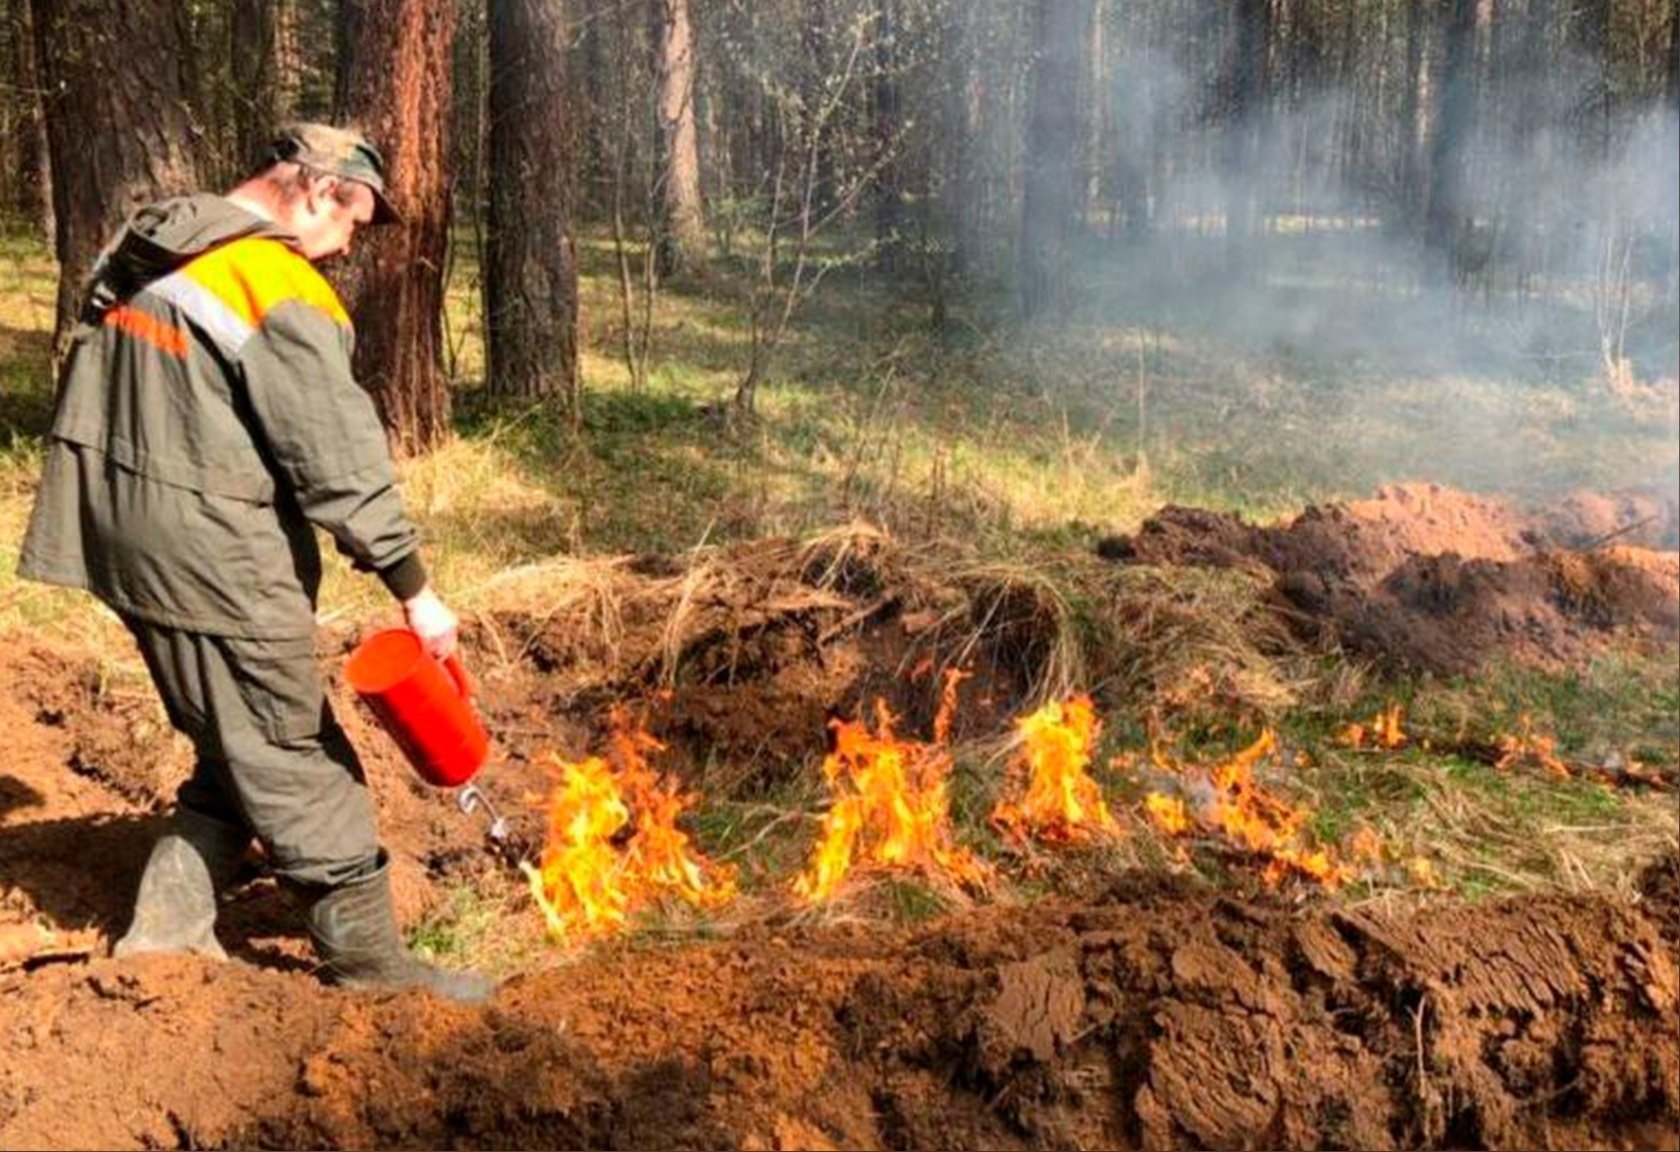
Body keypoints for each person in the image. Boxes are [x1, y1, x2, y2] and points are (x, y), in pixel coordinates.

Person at [16, 123, 491, 1002]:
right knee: (292, 745)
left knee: (231, 745)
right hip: (209, 553)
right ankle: (374, 972)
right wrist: (414, 591)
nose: (348, 247)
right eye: (353, 221)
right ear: (314, 192)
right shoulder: (271, 280)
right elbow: (338, 462)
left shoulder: (155, 246)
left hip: (120, 532)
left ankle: (164, 938)